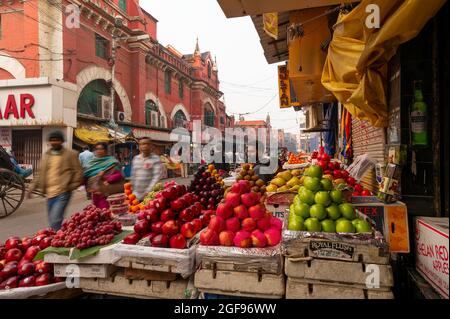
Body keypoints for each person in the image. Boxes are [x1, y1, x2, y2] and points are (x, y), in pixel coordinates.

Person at [28, 130, 83, 230]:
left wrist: (70, 186)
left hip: (63, 193)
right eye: (52, 140)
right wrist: (31, 187)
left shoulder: (70, 154)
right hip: (49, 193)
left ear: (62, 141)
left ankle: (57, 240)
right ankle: (61, 237)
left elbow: (79, 173)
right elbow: (40, 173)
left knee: (55, 221)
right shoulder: (46, 155)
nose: (54, 142)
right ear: (49, 141)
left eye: (57, 140)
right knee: (52, 221)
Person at [83, 142, 124, 209]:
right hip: (95, 194)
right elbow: (86, 176)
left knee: (105, 212)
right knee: (96, 213)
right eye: (97, 149)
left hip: (107, 193)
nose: (99, 151)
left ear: (106, 150)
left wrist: (105, 177)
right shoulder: (92, 162)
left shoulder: (112, 161)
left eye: (101, 149)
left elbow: (119, 175)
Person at [131, 137, 163, 202]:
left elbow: (156, 177)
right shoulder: (136, 158)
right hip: (136, 195)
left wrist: (148, 191)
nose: (144, 146)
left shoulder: (156, 159)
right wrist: (131, 189)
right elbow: (133, 175)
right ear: (139, 146)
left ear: (151, 146)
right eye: (142, 144)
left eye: (147, 144)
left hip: (150, 196)